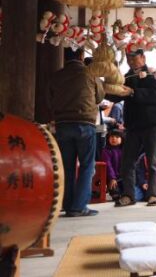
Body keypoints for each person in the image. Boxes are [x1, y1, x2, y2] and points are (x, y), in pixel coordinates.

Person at [50, 47, 104, 217]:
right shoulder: (90, 73)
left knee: (67, 166)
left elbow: (48, 97)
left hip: (63, 124)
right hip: (85, 123)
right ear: (81, 56)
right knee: (87, 165)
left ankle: (67, 204)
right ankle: (79, 206)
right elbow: (100, 96)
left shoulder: (56, 75)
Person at [113, 49, 156, 208]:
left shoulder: (153, 74)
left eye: (133, 58)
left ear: (143, 57)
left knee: (153, 161)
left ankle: (153, 195)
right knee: (127, 162)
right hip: (133, 125)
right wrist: (107, 87)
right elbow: (118, 94)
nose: (130, 61)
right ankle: (129, 195)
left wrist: (134, 92)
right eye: (128, 59)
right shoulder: (126, 76)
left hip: (152, 124)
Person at [102, 129, 124, 201]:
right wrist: (112, 178)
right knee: (115, 193)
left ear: (122, 139)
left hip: (123, 177)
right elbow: (108, 165)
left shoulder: (124, 150)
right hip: (112, 178)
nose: (114, 139)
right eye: (111, 137)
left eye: (117, 137)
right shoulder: (106, 151)